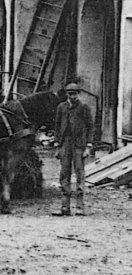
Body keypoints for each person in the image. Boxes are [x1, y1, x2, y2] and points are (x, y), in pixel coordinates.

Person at [53, 82, 94, 216]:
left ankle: (80, 207)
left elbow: (90, 127)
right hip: (65, 144)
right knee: (64, 174)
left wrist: (88, 146)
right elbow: (57, 126)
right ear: (67, 94)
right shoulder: (61, 107)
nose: (72, 96)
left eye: (75, 94)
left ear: (78, 94)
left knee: (79, 174)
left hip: (79, 145)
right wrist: (57, 145)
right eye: (70, 94)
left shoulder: (84, 108)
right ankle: (65, 207)